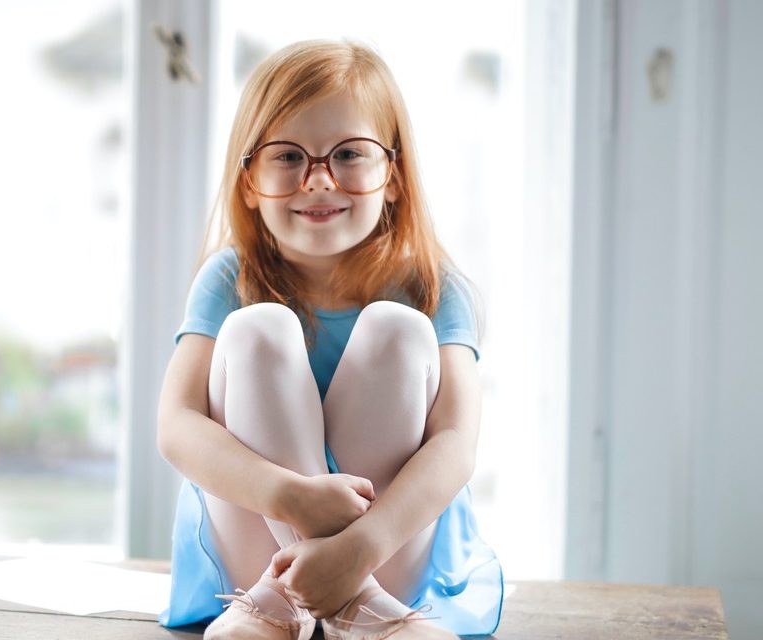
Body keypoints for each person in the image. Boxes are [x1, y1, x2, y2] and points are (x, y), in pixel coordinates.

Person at [156, 39, 503, 640]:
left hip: (387, 547)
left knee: (398, 329)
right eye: (287, 157)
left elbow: (455, 444)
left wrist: (363, 545)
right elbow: (177, 427)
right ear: (248, 182)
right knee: (258, 327)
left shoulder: (436, 285)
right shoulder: (228, 278)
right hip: (253, 559)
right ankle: (334, 607)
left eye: (348, 154)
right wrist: (289, 496)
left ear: (392, 176)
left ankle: (355, 596)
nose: (318, 181)